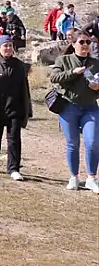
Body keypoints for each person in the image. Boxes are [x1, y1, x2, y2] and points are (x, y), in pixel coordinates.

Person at [49, 35, 99, 192]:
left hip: (90, 107)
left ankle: (91, 178)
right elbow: (54, 77)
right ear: (73, 43)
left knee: (92, 142)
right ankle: (74, 177)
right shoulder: (63, 60)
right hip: (69, 107)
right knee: (72, 144)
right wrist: (73, 72)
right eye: (81, 42)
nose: (85, 45)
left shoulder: (95, 63)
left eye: (88, 42)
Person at [0, 40, 32, 181]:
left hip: (15, 108)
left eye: (10, 45)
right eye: (5, 45)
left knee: (14, 139)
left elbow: (25, 88)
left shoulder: (19, 65)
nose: (8, 48)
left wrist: (28, 109)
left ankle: (14, 168)